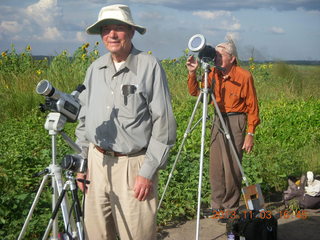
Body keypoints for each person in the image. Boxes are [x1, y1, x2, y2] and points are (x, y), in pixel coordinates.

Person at [75, 4, 176, 239]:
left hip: (134, 166)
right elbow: (83, 120)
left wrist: (147, 171)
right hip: (97, 163)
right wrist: (82, 165)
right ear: (101, 35)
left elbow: (164, 124)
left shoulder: (148, 66)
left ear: (131, 32)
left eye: (119, 28)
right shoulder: (94, 68)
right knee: (97, 233)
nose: (112, 34)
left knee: (136, 234)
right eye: (106, 29)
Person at [186, 40, 260, 215]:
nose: (216, 58)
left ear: (232, 58)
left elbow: (253, 107)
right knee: (216, 165)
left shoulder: (244, 76)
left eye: (221, 55)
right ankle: (216, 204)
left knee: (232, 165)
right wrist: (192, 72)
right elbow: (196, 93)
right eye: (215, 55)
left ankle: (231, 207)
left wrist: (250, 133)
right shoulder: (212, 73)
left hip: (236, 121)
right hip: (218, 119)